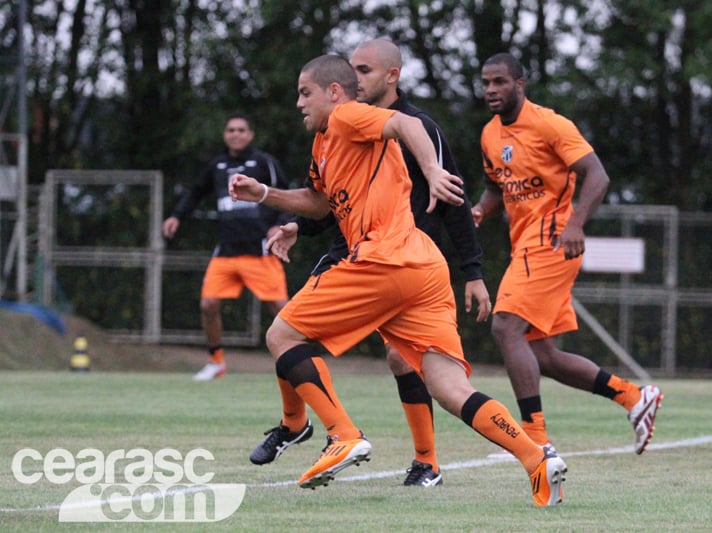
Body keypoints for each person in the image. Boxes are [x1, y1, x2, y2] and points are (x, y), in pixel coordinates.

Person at [229, 53, 567, 506]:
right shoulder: (326, 142)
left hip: (385, 258)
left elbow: (409, 126)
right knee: (449, 387)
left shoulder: (349, 114)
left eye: (304, 92)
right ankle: (536, 459)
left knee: (283, 335)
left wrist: (431, 170)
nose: (297, 103)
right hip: (422, 267)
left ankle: (342, 434)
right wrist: (267, 194)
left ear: (333, 92)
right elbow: (319, 201)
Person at [254, 39, 491, 488]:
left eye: (362, 70)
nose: (353, 78)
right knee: (292, 330)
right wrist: (295, 226)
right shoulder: (337, 127)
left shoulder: (415, 125)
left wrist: (473, 270)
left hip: (402, 257)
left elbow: (455, 202)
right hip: (357, 251)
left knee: (394, 357)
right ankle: (299, 424)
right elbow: (332, 200)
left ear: (391, 76)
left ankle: (417, 459)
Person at [472, 52, 662, 454]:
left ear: (519, 84)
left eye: (500, 82)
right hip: (525, 243)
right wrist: (480, 210)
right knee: (543, 355)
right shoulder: (489, 134)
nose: (491, 89)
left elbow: (598, 174)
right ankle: (632, 397)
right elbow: (495, 187)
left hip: (553, 240)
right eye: (486, 82)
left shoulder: (549, 123)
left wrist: (576, 223)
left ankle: (536, 438)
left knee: (505, 327)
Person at [162, 113, 291, 381]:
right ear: (225, 134)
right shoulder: (217, 165)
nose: (235, 134)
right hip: (227, 250)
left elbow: (289, 194)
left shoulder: (264, 162)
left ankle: (295, 360)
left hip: (260, 250)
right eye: (231, 129)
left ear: (250, 134)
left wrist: (279, 224)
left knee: (282, 308)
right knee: (208, 304)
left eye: (241, 129)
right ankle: (216, 361)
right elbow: (196, 192)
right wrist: (176, 215)